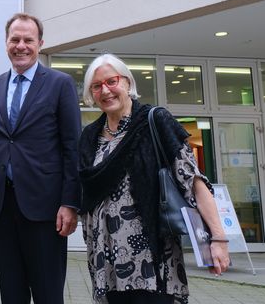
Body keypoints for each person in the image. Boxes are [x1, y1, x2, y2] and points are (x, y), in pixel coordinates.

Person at [78, 53, 230, 303]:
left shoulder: (155, 121)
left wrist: (218, 239)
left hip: (151, 262)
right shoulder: (89, 136)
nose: (105, 91)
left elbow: (194, 181)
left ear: (127, 82)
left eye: (112, 81)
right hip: (105, 263)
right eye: (97, 86)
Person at [0, 13, 81, 303]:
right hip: (0, 208)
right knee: (11, 293)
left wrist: (70, 203)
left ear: (40, 43)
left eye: (28, 40)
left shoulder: (60, 84)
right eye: (14, 39)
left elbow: (72, 148)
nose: (21, 45)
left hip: (46, 209)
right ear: (6, 43)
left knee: (47, 293)